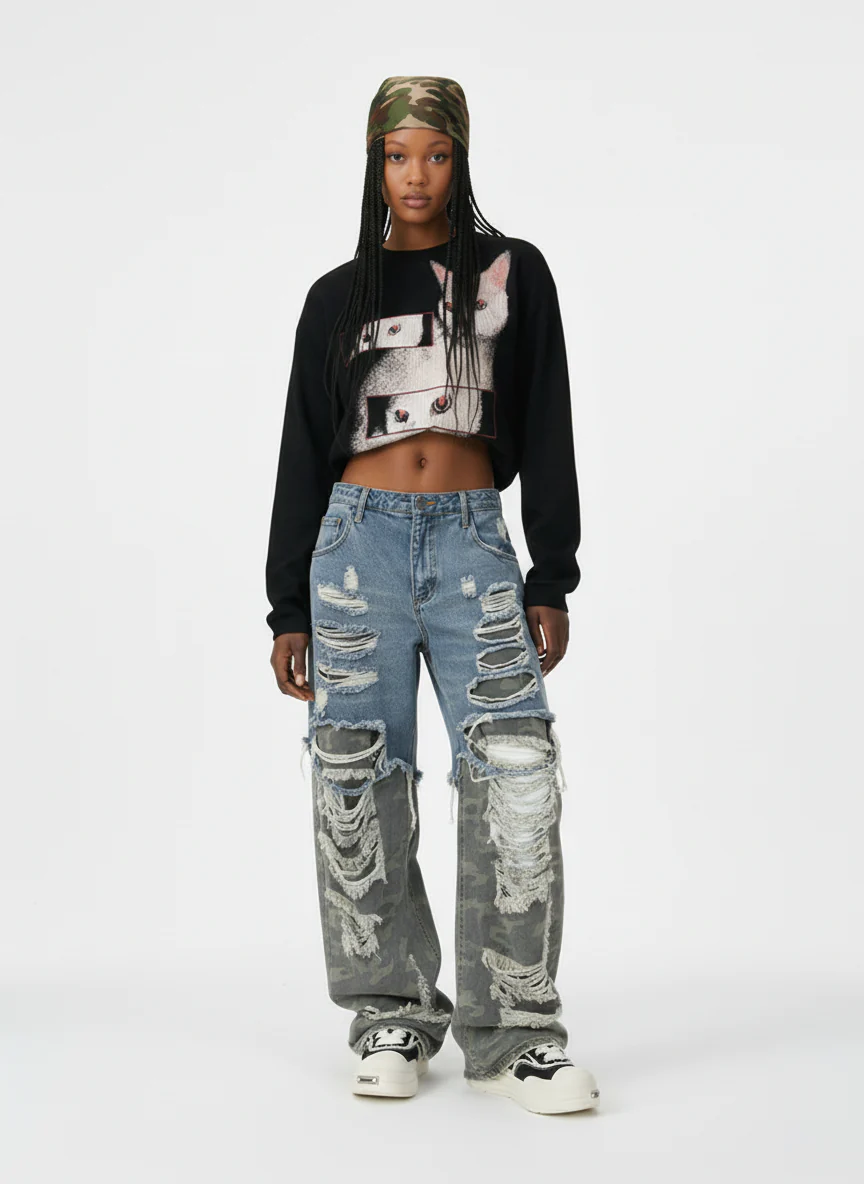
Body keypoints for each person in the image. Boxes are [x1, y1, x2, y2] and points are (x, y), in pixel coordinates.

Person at [265, 75, 599, 1115]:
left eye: (436, 154)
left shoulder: (511, 272)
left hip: (470, 546)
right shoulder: (337, 295)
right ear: (376, 163)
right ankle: (392, 1013)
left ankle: (517, 1030)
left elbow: (547, 419)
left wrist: (550, 572)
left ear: (462, 158)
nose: (417, 175)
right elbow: (302, 448)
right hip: (353, 546)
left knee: (516, 771)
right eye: (397, 155)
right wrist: (287, 605)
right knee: (357, 778)